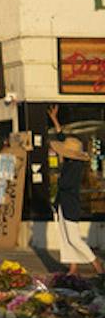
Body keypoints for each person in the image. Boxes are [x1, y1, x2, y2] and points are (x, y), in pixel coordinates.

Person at [48, 105, 103, 277]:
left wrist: (57, 177)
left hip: (70, 204)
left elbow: (66, 184)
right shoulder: (70, 163)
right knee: (65, 238)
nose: (60, 153)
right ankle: (73, 267)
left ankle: (96, 263)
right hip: (63, 203)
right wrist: (55, 120)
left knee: (73, 238)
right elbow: (62, 137)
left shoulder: (75, 166)